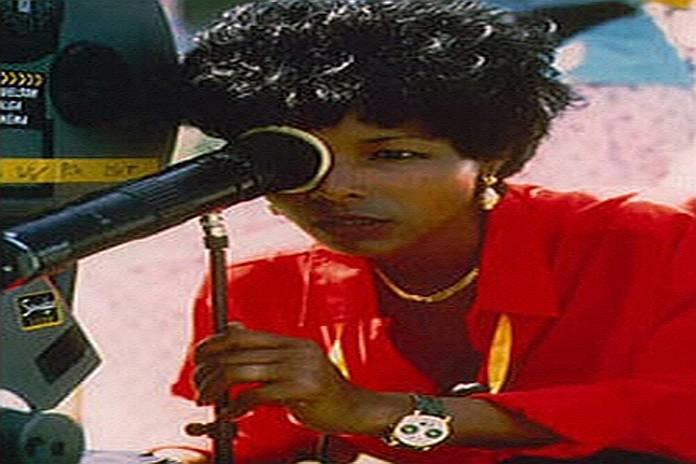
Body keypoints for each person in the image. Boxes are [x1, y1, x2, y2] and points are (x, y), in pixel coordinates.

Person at [170, 0, 696, 462]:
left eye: (392, 155)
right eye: (299, 160)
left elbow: (673, 416)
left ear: (493, 155)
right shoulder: (260, 289)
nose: (335, 188)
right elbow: (250, 439)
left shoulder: (656, 245)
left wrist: (375, 410)